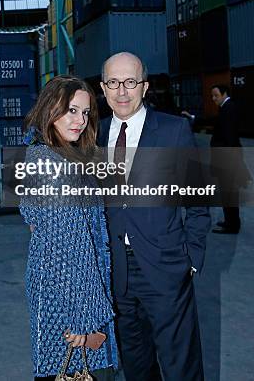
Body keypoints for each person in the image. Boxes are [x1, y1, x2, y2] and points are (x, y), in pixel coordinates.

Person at [97, 52, 211, 381]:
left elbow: (198, 201)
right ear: (103, 88)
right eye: (114, 83)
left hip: (165, 269)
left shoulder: (174, 131)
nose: (122, 91)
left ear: (144, 87)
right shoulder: (94, 135)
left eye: (130, 82)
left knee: (181, 366)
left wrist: (191, 257)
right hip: (115, 272)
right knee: (136, 365)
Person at [19, 75, 119, 380]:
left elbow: (37, 225)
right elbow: (68, 249)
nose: (80, 120)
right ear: (51, 109)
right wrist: (82, 319)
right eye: (71, 110)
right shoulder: (54, 165)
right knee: (73, 371)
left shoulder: (43, 152)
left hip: (55, 290)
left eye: (85, 112)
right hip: (70, 301)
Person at [210, 84, 249, 234]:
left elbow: (230, 139)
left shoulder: (229, 109)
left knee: (229, 194)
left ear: (224, 94)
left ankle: (232, 225)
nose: (213, 99)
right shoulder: (226, 108)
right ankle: (230, 222)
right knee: (228, 194)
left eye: (216, 95)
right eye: (212, 96)